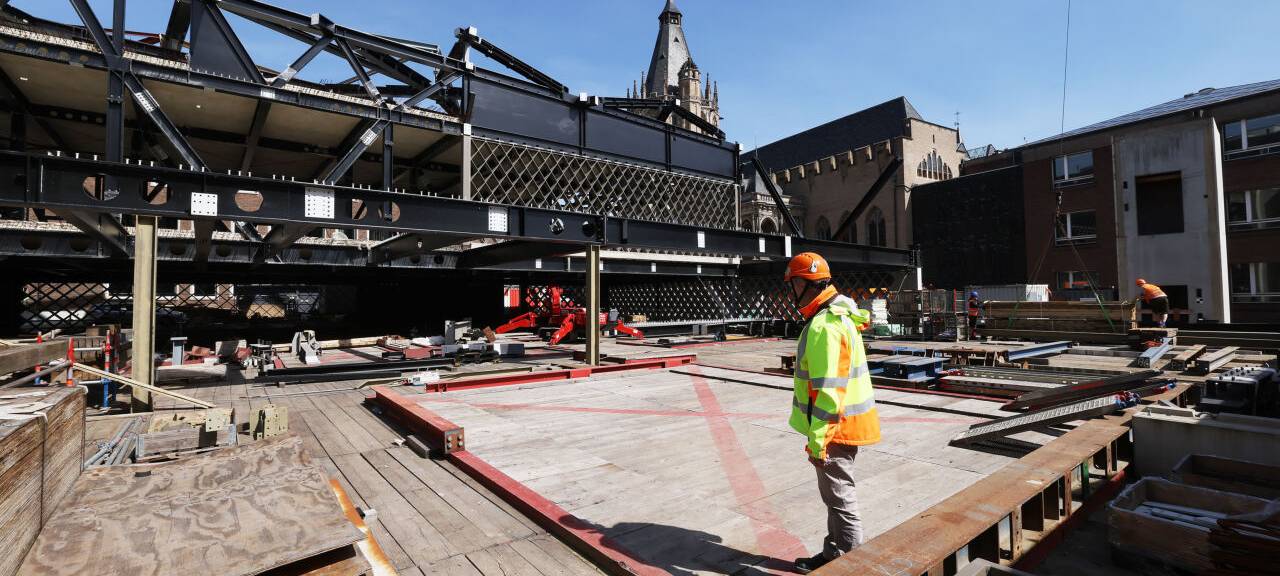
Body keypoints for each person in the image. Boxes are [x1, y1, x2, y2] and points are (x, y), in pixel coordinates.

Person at [785, 252, 881, 573]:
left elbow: (829, 390)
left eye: (793, 284)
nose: (791, 291)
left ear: (805, 283)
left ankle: (853, 568)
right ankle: (833, 555)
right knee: (834, 500)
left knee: (841, 502)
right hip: (843, 426)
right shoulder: (838, 316)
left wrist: (818, 441)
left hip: (835, 431)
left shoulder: (825, 327)